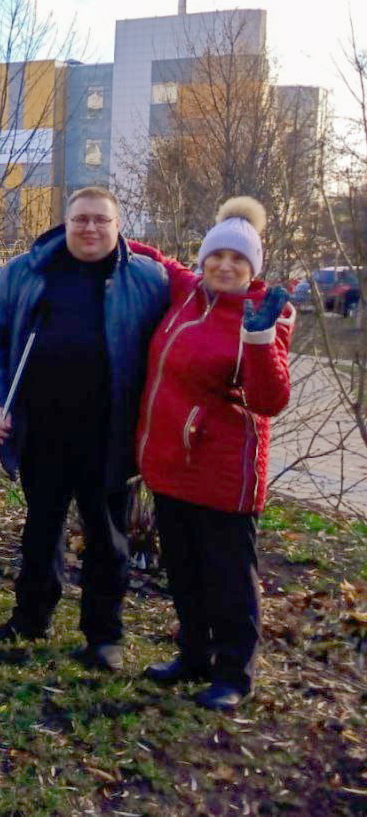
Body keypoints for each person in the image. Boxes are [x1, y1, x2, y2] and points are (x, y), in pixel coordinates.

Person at [0, 186, 167, 671]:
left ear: (117, 226)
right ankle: (31, 617)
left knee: (107, 535)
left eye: (101, 220)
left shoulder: (146, 278)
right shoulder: (26, 272)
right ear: (66, 222)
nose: (90, 229)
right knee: (41, 529)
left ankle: (104, 636)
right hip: (41, 428)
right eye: (81, 219)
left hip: (110, 433)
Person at [130, 198, 293, 710]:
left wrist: (262, 337)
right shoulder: (186, 293)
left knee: (228, 577)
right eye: (216, 257)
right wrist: (90, 231)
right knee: (183, 567)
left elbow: (271, 401)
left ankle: (234, 674)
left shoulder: (266, 315)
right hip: (172, 468)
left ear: (253, 268)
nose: (225, 267)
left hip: (225, 474)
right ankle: (194, 654)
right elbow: (150, 254)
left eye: (238, 261)